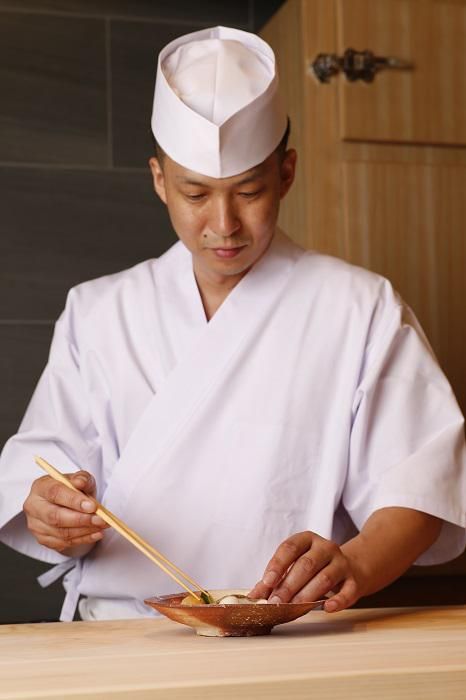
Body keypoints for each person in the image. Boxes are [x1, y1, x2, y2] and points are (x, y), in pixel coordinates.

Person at [0, 26, 465, 622]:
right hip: (121, 632)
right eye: (196, 195)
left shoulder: (360, 307)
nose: (224, 225)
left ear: (286, 173)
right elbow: (43, 478)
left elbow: (420, 485)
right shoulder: (97, 311)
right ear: (159, 180)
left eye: (249, 191)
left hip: (292, 632)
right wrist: (52, 513)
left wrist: (356, 564)